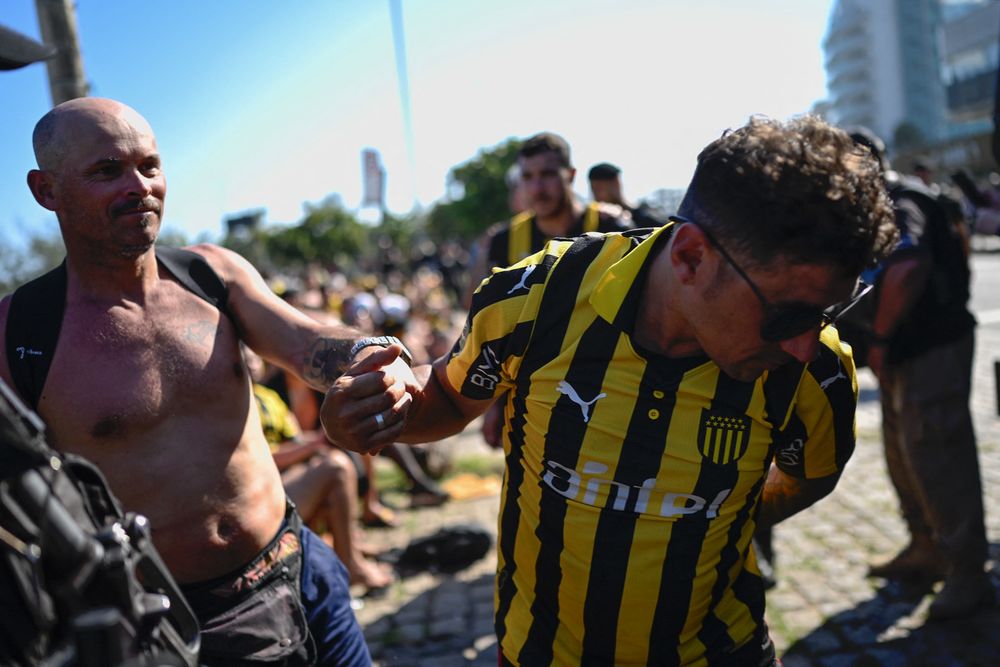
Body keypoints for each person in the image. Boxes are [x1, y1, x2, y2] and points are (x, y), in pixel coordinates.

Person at [322, 115, 898, 665]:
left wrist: (719, 515)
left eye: (828, 311)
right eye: (785, 315)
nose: (803, 343)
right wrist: (385, 402)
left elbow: (809, 477)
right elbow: (448, 397)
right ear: (692, 256)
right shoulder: (537, 297)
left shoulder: (815, 370)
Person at [0, 97, 413, 665]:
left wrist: (372, 354)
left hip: (302, 573)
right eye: (106, 170)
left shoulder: (211, 273)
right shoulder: (19, 331)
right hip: (180, 633)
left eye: (149, 165)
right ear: (46, 191)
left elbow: (305, 341)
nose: (139, 185)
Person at [848, 128, 994, 620]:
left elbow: (907, 264)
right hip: (908, 350)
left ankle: (967, 572)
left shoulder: (897, 198)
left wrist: (883, 340)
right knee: (904, 451)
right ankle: (926, 548)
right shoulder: (894, 199)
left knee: (938, 455)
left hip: (927, 348)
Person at [465, 133, 634, 448]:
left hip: (609, 386)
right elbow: (495, 329)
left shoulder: (614, 226)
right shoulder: (505, 240)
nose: (537, 188)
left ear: (569, 175)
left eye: (547, 175)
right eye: (528, 177)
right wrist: (493, 404)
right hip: (533, 393)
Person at [246, 347, 394, 594]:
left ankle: (349, 546)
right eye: (243, 355)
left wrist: (317, 443)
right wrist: (314, 445)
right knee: (334, 469)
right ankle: (351, 564)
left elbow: (295, 439)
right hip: (263, 496)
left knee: (342, 453)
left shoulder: (267, 397)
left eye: (253, 355)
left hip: (287, 481)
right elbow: (261, 460)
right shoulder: (233, 405)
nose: (250, 360)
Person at [588, 161, 667, 227]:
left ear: (617, 183)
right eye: (594, 188)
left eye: (599, 188)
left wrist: (622, 222)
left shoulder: (644, 215)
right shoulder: (588, 219)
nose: (596, 193)